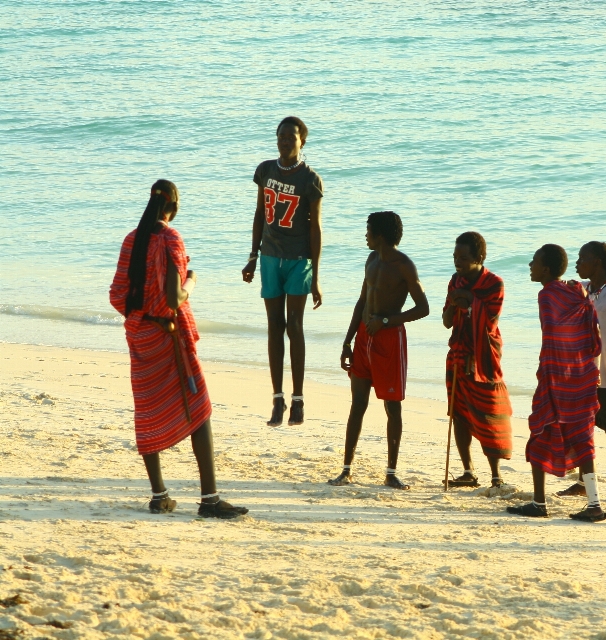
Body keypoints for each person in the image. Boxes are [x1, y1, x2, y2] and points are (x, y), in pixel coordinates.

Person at [109, 180, 247, 519]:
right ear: (175, 206)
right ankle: (210, 499)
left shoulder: (132, 239)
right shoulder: (171, 239)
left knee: (147, 407)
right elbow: (174, 298)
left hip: (141, 336)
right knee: (198, 407)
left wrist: (146, 318)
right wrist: (192, 281)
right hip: (169, 337)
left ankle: (159, 495)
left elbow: (117, 295)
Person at [328, 211, 429, 490]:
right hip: (363, 339)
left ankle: (391, 473)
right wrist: (347, 341)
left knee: (392, 407)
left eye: (368, 230)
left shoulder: (404, 266)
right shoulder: (372, 259)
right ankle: (346, 470)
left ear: (380, 235)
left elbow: (424, 308)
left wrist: (385, 321)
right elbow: (362, 301)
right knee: (357, 403)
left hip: (388, 340)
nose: (365, 235)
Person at [507, 244, 606, 522]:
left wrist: (549, 374)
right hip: (583, 373)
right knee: (583, 435)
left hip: (557, 375)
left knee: (541, 428)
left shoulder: (547, 294)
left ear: (546, 269)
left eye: (534, 261)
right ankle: (594, 504)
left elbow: (553, 336)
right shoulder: (576, 291)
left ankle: (539, 503)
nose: (530, 264)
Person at [242, 116, 324, 427]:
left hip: (298, 259)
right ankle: (277, 399)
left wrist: (316, 276)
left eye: (291, 137)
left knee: (295, 326)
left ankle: (298, 400)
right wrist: (252, 256)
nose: (285, 141)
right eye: (281, 136)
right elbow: (260, 213)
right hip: (269, 258)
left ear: (302, 140)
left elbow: (315, 228)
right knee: (274, 326)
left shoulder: (310, 179)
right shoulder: (265, 171)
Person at [556, 242, 606, 502]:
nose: (577, 263)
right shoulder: (583, 290)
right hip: (581, 374)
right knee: (583, 430)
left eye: (583, 258)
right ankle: (582, 481)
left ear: (598, 263)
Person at [442, 232, 513, 488]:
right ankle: (468, 471)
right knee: (459, 412)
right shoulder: (455, 281)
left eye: (463, 258)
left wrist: (470, 299)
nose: (457, 262)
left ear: (479, 258)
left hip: (483, 356)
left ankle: (496, 475)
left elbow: (490, 321)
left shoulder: (494, 283)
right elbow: (447, 321)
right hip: (458, 353)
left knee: (486, 412)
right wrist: (455, 301)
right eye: (454, 257)